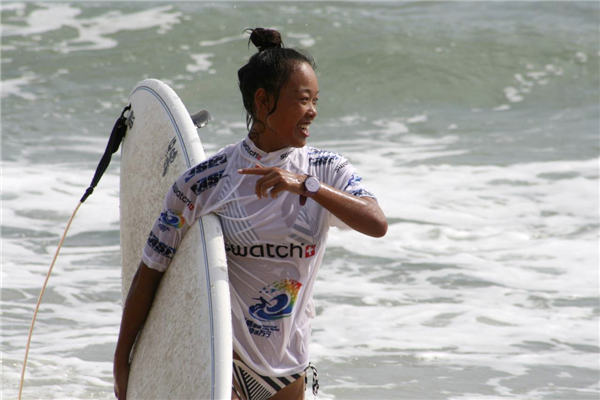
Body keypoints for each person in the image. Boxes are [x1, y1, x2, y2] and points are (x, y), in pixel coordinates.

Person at [113, 27, 387, 400]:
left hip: (288, 365)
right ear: (263, 102)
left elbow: (376, 222)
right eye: (303, 100)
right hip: (227, 359)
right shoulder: (207, 181)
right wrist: (123, 359)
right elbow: (151, 269)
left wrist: (304, 184)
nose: (313, 112)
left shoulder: (326, 169)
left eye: (316, 100)